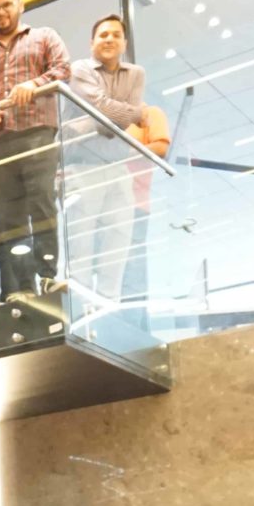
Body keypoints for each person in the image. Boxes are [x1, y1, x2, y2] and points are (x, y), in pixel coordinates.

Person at [0, 0, 71, 298]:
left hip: (37, 133)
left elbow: (63, 69)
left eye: (7, 5)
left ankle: (47, 277)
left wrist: (34, 84)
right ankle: (24, 287)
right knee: (11, 220)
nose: (1, 12)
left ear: (21, 5)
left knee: (42, 205)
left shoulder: (44, 36)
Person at [65, 15, 147, 302]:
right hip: (82, 166)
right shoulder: (79, 69)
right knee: (81, 240)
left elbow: (113, 117)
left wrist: (97, 122)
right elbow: (104, 108)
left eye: (115, 35)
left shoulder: (135, 73)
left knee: (119, 236)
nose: (109, 39)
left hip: (116, 165)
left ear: (124, 43)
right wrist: (131, 114)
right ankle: (81, 305)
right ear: (92, 43)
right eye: (103, 35)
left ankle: (108, 303)